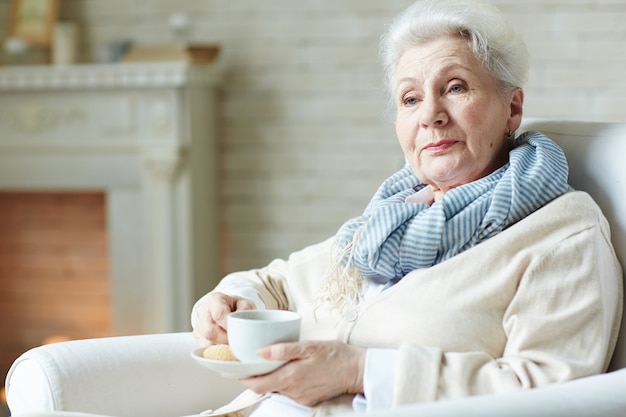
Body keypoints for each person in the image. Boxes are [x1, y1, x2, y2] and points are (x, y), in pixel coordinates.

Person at [191, 0, 623, 416]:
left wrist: (359, 372)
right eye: (410, 99)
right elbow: (278, 282)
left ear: (512, 108)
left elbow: (553, 394)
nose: (431, 114)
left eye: (455, 87)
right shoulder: (392, 220)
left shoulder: (561, 231)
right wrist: (230, 302)